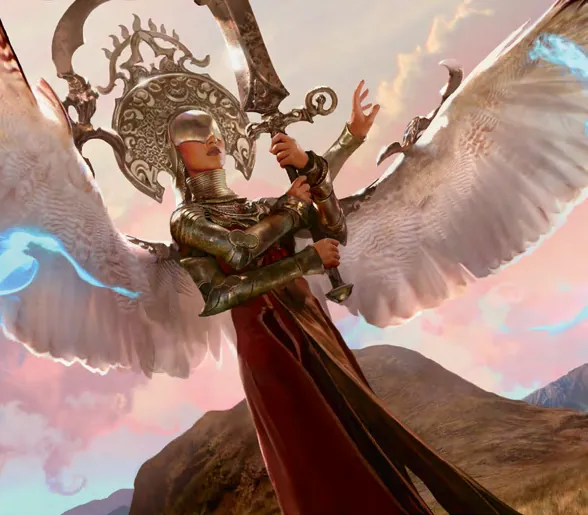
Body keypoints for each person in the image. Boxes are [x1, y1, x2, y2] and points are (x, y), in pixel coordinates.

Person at [169, 81, 521, 515]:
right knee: (318, 456)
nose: (211, 139)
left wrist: (340, 143)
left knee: (364, 438)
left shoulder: (257, 208)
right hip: (269, 345)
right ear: (177, 154)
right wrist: (302, 250)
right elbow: (231, 274)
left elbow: (331, 225)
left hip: (313, 327)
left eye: (214, 131)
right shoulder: (187, 221)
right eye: (195, 134)